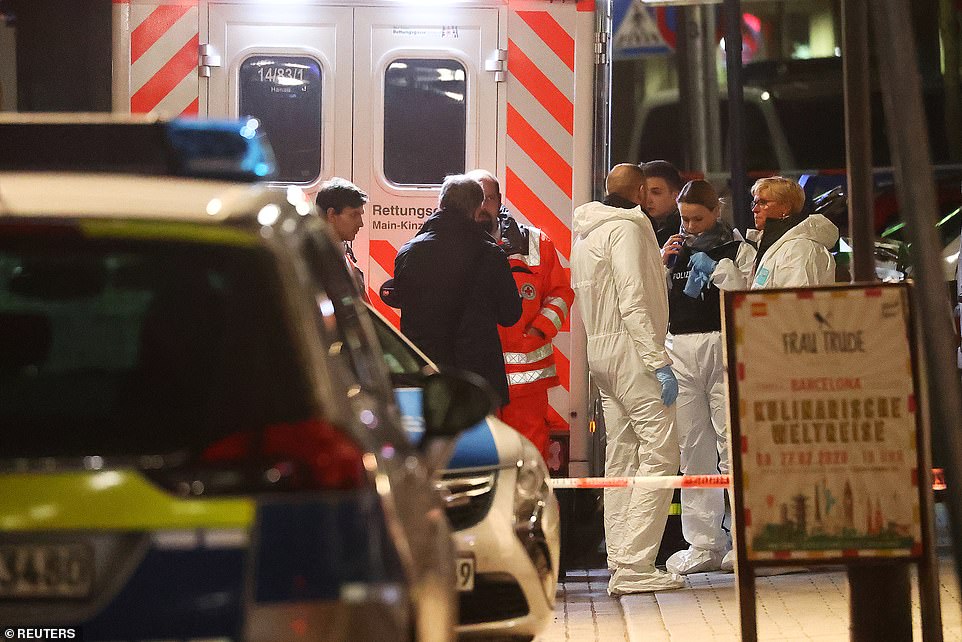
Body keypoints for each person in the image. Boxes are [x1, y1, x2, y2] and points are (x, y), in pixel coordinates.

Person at [570, 163, 683, 594]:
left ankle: (620, 557)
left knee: (622, 455)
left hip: (601, 353)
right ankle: (636, 565)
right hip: (634, 353)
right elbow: (634, 299)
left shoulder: (589, 233)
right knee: (660, 452)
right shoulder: (629, 229)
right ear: (638, 191)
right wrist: (657, 359)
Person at [659, 180, 756, 575]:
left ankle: (742, 537)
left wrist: (720, 270)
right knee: (693, 449)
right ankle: (703, 542)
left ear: (716, 212)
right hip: (679, 346)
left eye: (698, 218)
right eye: (684, 218)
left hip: (722, 343)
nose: (690, 226)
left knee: (730, 442)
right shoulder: (674, 248)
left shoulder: (738, 249)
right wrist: (660, 264)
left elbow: (748, 294)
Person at [465, 169, 574, 458]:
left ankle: (528, 505)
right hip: (473, 377)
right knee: (478, 453)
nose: (481, 206)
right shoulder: (452, 244)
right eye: (475, 198)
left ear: (499, 200)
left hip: (525, 380)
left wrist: (539, 330)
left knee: (528, 454)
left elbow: (561, 294)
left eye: (488, 198)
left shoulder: (536, 243)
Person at [393, 174, 522, 407]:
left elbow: (401, 300)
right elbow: (511, 314)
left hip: (428, 378)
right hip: (477, 381)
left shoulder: (409, 252)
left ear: (441, 203)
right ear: (476, 209)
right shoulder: (491, 254)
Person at [710, 176, 838, 290]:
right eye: (754, 203)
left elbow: (797, 305)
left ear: (785, 207)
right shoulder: (775, 245)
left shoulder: (799, 249)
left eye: (763, 202)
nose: (755, 209)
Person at [316, 177, 369, 298]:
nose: (361, 223)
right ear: (332, 214)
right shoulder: (316, 263)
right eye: (354, 215)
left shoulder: (340, 252)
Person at [641, 160, 684, 247]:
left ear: (676, 196)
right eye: (643, 192)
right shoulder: (639, 226)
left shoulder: (685, 231)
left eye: (656, 192)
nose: (647, 199)